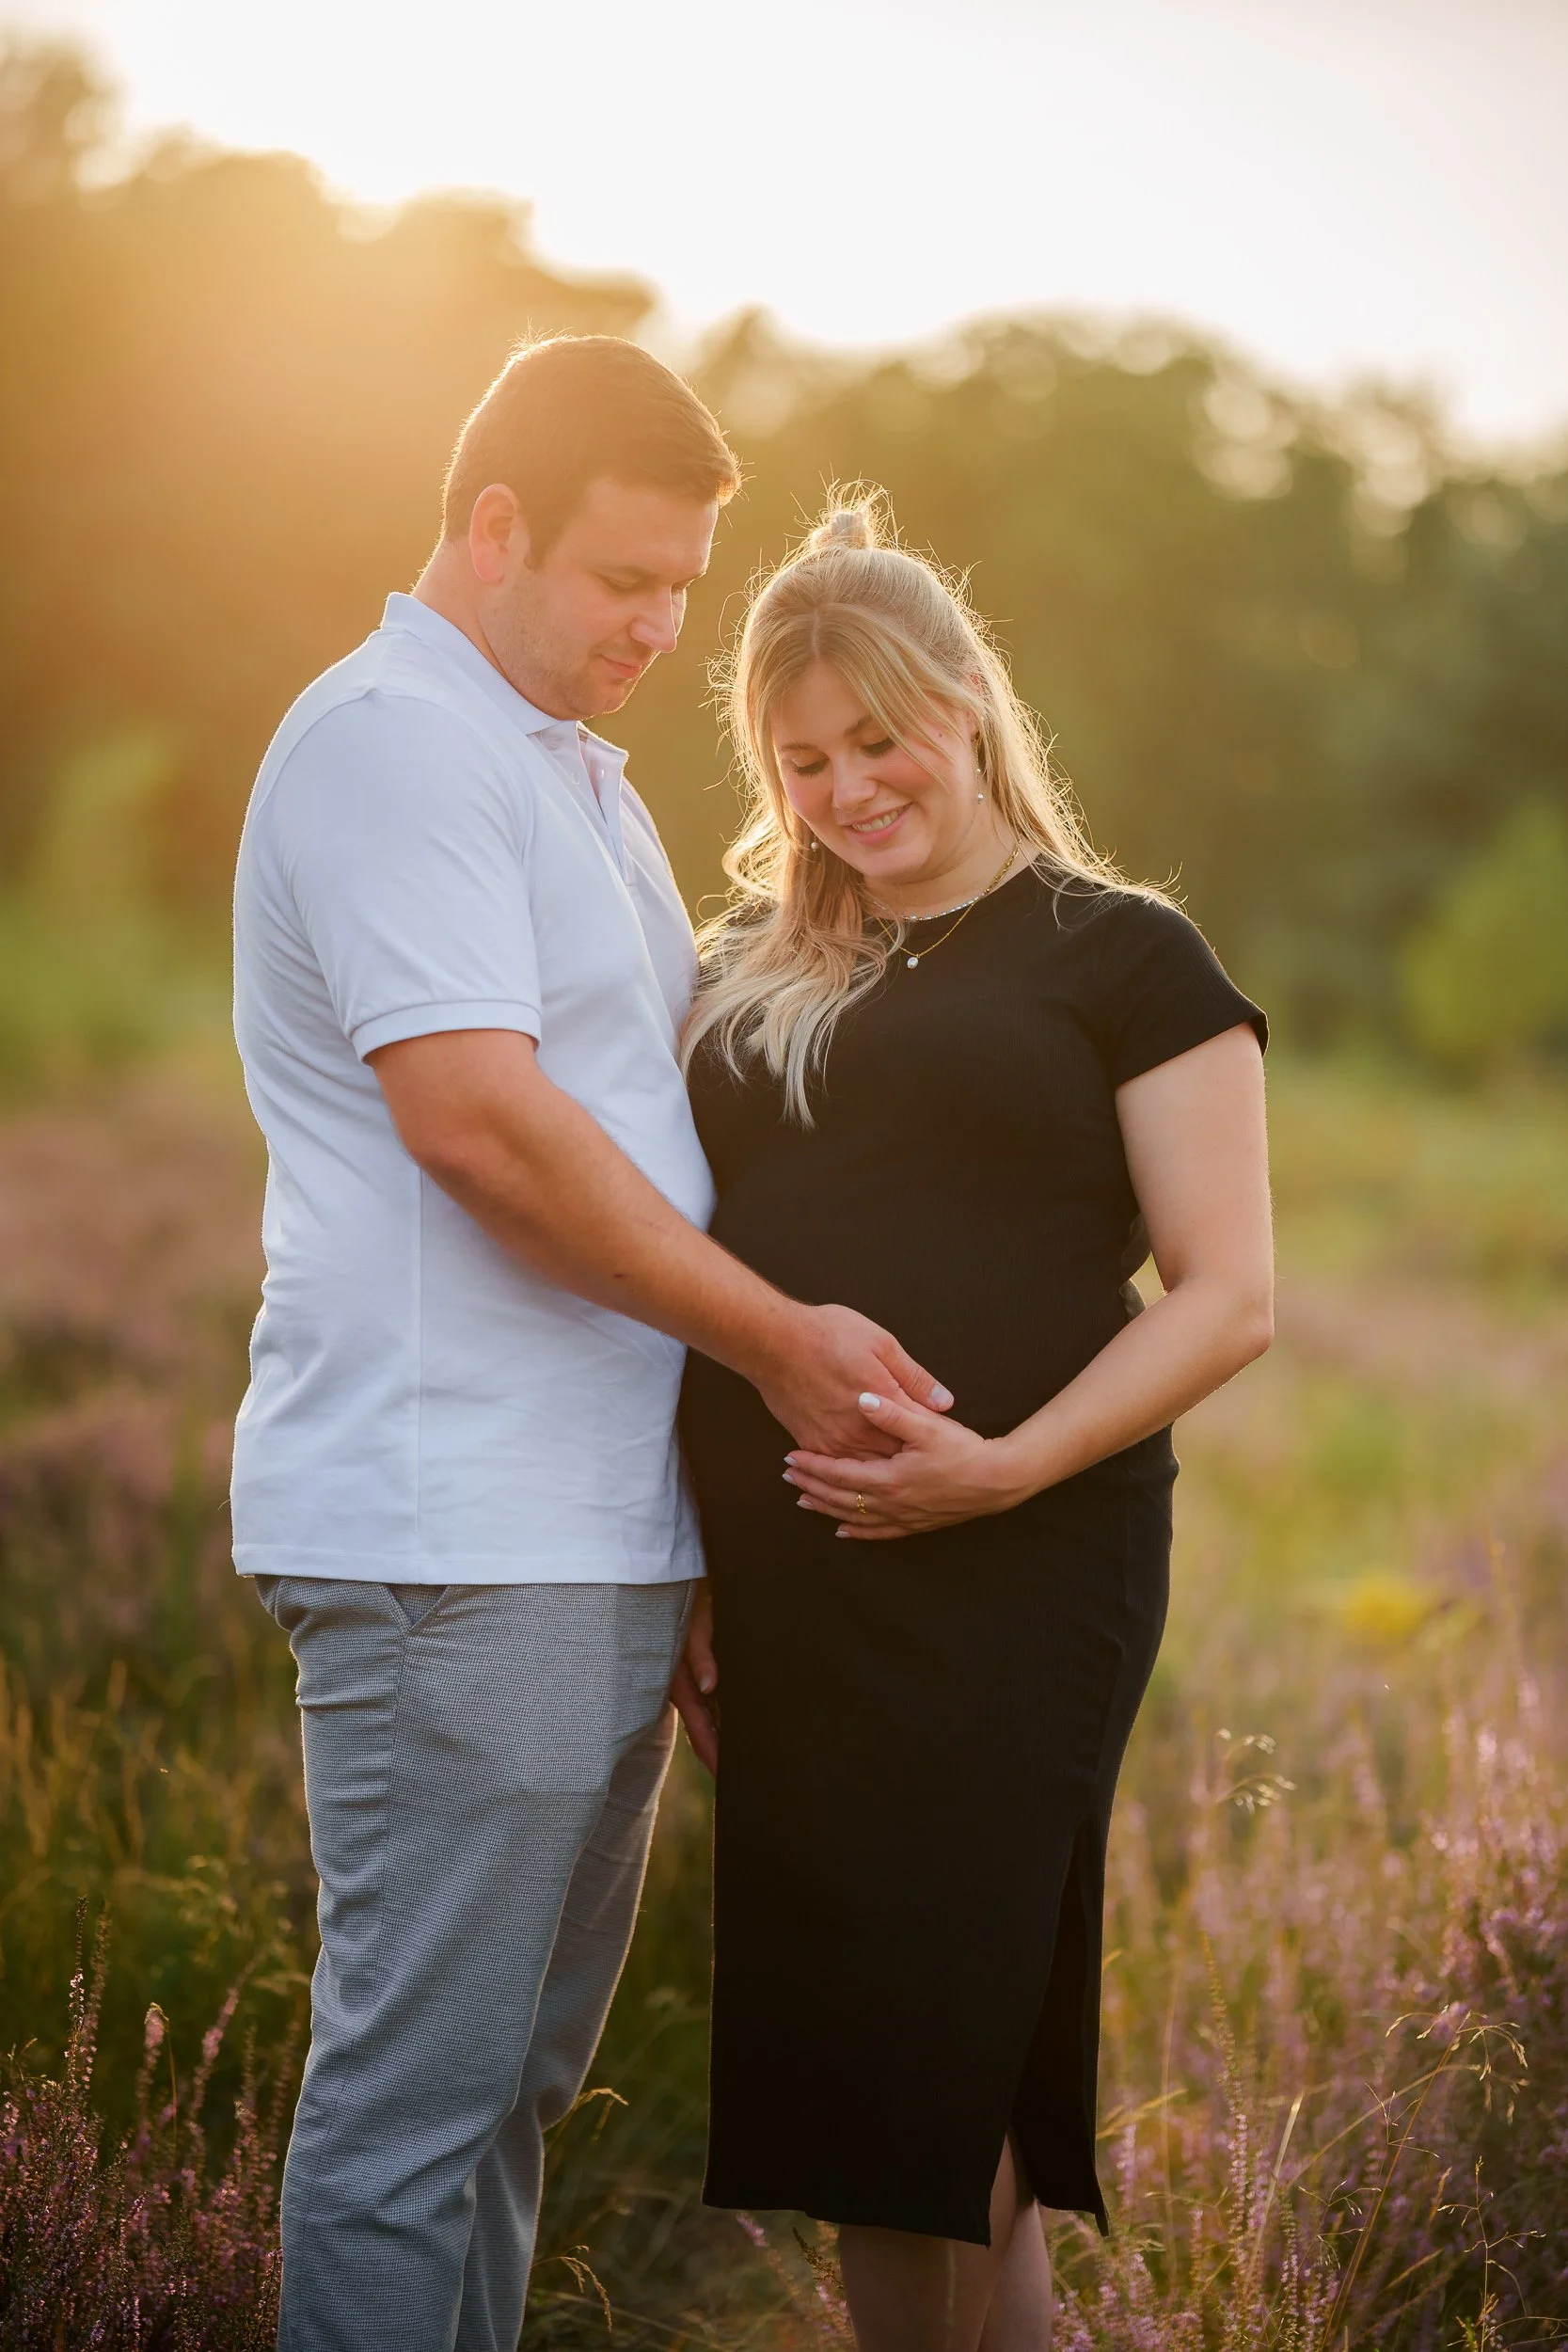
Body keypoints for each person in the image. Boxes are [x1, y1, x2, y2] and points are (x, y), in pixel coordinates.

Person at [231, 344, 952, 2352]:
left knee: (508, 2105)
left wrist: (684, 1525)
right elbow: (479, 1123)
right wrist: (783, 1349)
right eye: (624, 579)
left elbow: (634, 1126)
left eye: (683, 588)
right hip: (459, 1531)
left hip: (585, 1533)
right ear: (490, 529)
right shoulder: (394, 741)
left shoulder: (564, 768)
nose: (660, 628)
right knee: (415, 2113)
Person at [674, 495, 1275, 2352]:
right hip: (797, 1591)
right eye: (803, 759)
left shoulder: (1124, 957)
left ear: (964, 704)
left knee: (928, 2060)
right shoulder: (748, 972)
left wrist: (1001, 1466)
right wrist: (692, 1561)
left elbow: (1230, 1294)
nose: (847, 788)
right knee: (878, 2098)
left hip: (1021, 1572)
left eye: (879, 738)